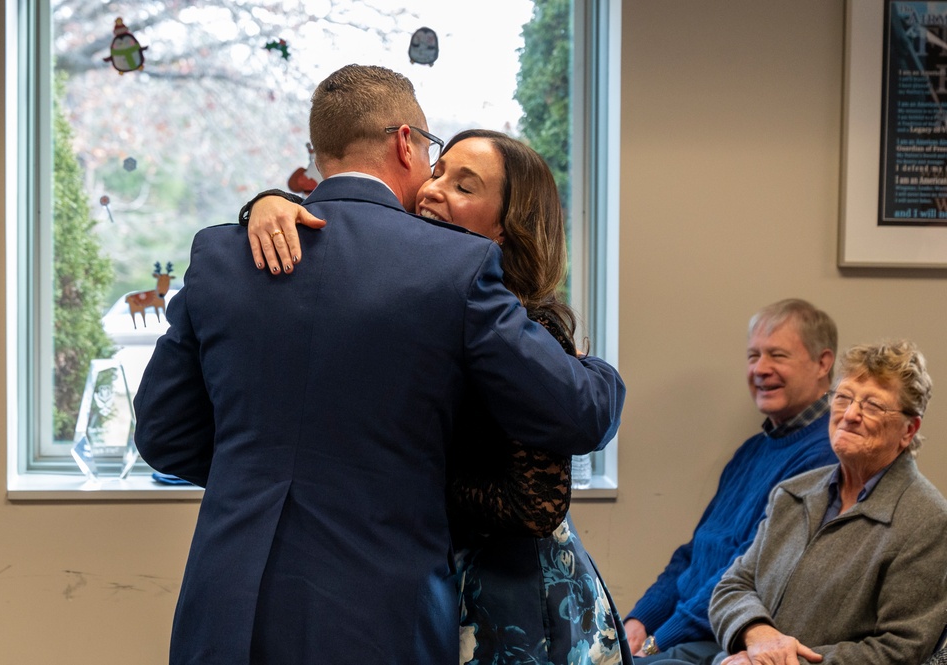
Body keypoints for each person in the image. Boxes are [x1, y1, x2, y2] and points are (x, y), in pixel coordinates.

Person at [133, 64, 625, 665]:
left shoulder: (221, 255)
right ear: (405, 142)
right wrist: (590, 367)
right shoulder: (453, 267)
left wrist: (263, 470)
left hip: (225, 604)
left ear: (319, 152)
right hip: (379, 613)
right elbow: (582, 414)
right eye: (433, 155)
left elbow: (162, 434)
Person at [243, 129, 631, 664]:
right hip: (417, 584)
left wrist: (396, 476)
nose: (432, 189)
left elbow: (534, 504)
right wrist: (268, 205)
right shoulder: (411, 300)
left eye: (464, 187)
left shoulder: (525, 331)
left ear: (504, 230)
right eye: (437, 172)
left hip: (513, 606)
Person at [662, 340, 947, 665]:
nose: (850, 415)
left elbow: (901, 650)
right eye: (843, 398)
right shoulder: (793, 493)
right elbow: (733, 585)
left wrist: (776, 662)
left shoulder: (927, 521)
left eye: (872, 406)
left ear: (909, 429)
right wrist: (758, 635)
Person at [626, 299, 839, 662]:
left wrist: (657, 641)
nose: (760, 369)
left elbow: (748, 569)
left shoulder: (825, 455)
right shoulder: (751, 450)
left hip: (725, 638)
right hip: (681, 630)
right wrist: (639, 621)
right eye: (753, 356)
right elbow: (693, 554)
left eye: (777, 355)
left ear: (823, 363)